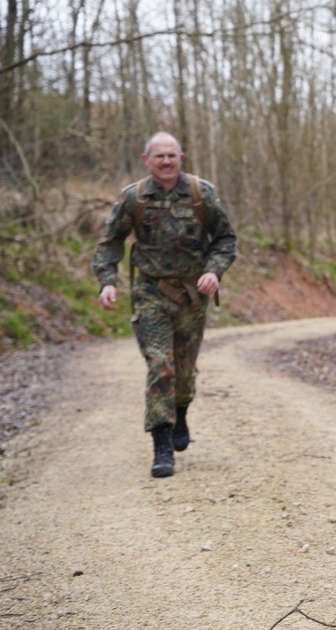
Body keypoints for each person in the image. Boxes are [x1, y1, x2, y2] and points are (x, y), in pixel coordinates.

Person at [92, 132, 237, 479]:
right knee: (161, 365)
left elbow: (226, 239)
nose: (166, 162)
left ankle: (180, 413)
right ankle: (161, 447)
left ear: (181, 157)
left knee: (184, 371)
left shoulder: (202, 194)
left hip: (192, 296)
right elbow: (110, 241)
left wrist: (214, 272)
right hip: (150, 293)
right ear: (147, 160)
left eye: (172, 155)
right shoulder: (134, 197)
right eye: (159, 156)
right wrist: (107, 280)